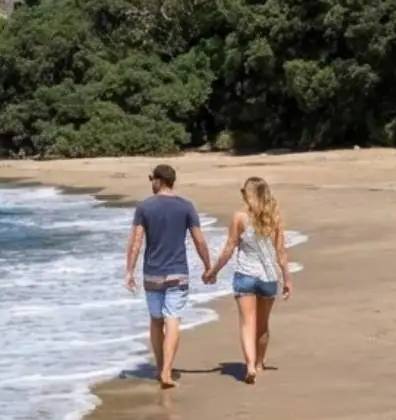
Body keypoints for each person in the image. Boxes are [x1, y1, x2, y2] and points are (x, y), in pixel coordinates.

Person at [124, 163, 213, 389]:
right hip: (178, 273)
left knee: (156, 320)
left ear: (159, 180)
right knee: (173, 319)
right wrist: (207, 265)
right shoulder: (186, 207)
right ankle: (166, 371)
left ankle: (160, 366)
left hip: (152, 273)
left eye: (151, 179)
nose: (151, 183)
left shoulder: (144, 207)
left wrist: (129, 271)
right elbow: (199, 240)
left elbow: (136, 242)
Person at [205, 176, 293, 384]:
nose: (242, 195)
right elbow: (281, 252)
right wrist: (287, 278)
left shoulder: (240, 218)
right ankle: (260, 363)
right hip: (269, 278)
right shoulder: (275, 217)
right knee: (262, 325)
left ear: (248, 194)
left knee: (247, 324)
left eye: (243, 192)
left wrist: (214, 270)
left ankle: (250, 365)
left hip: (245, 275)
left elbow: (229, 248)